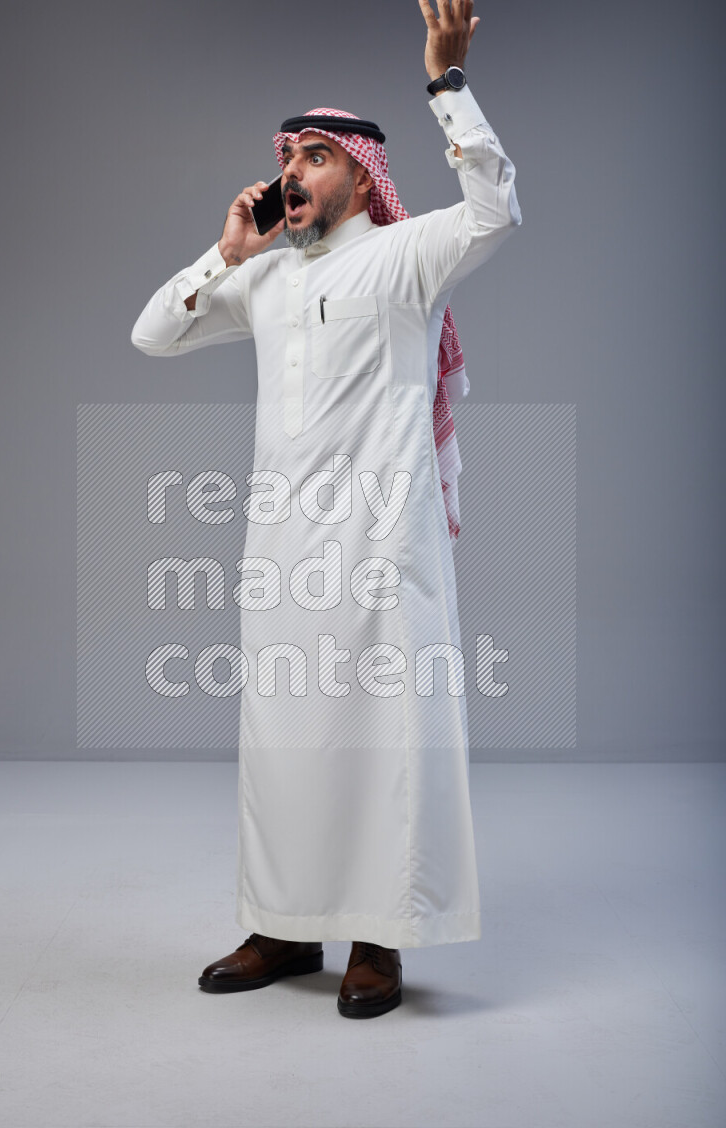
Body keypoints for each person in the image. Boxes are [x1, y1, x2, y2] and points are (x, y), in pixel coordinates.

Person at [131, 0, 521, 1018]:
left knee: (383, 737)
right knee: (284, 736)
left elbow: (494, 213)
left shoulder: (402, 259)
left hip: (383, 545)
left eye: (314, 155)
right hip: (284, 550)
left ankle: (378, 940)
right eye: (285, 156)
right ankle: (284, 925)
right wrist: (226, 255)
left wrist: (446, 83)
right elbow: (150, 337)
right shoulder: (261, 282)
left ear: (358, 173)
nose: (292, 171)